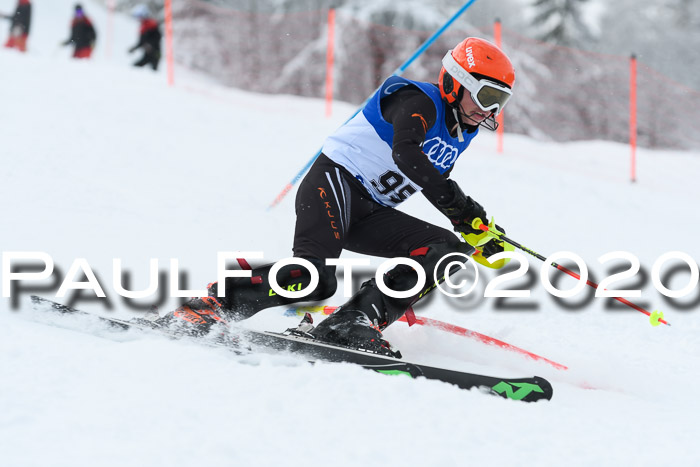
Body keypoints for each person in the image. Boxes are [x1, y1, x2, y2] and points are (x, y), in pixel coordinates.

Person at [156, 37, 516, 355]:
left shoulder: (462, 131)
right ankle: (208, 306)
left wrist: (476, 232)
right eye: (486, 96)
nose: (490, 110)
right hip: (334, 183)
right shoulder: (417, 101)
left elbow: (433, 182)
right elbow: (407, 155)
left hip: (372, 210)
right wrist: (463, 209)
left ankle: (351, 322)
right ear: (456, 82)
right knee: (312, 278)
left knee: (447, 250)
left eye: (500, 101)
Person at [128, 4, 161, 71]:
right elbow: (141, 42)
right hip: (147, 54)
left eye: (140, 17)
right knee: (135, 67)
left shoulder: (152, 24)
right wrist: (134, 48)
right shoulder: (143, 27)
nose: (139, 19)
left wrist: (150, 45)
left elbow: (158, 37)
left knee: (154, 72)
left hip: (155, 53)